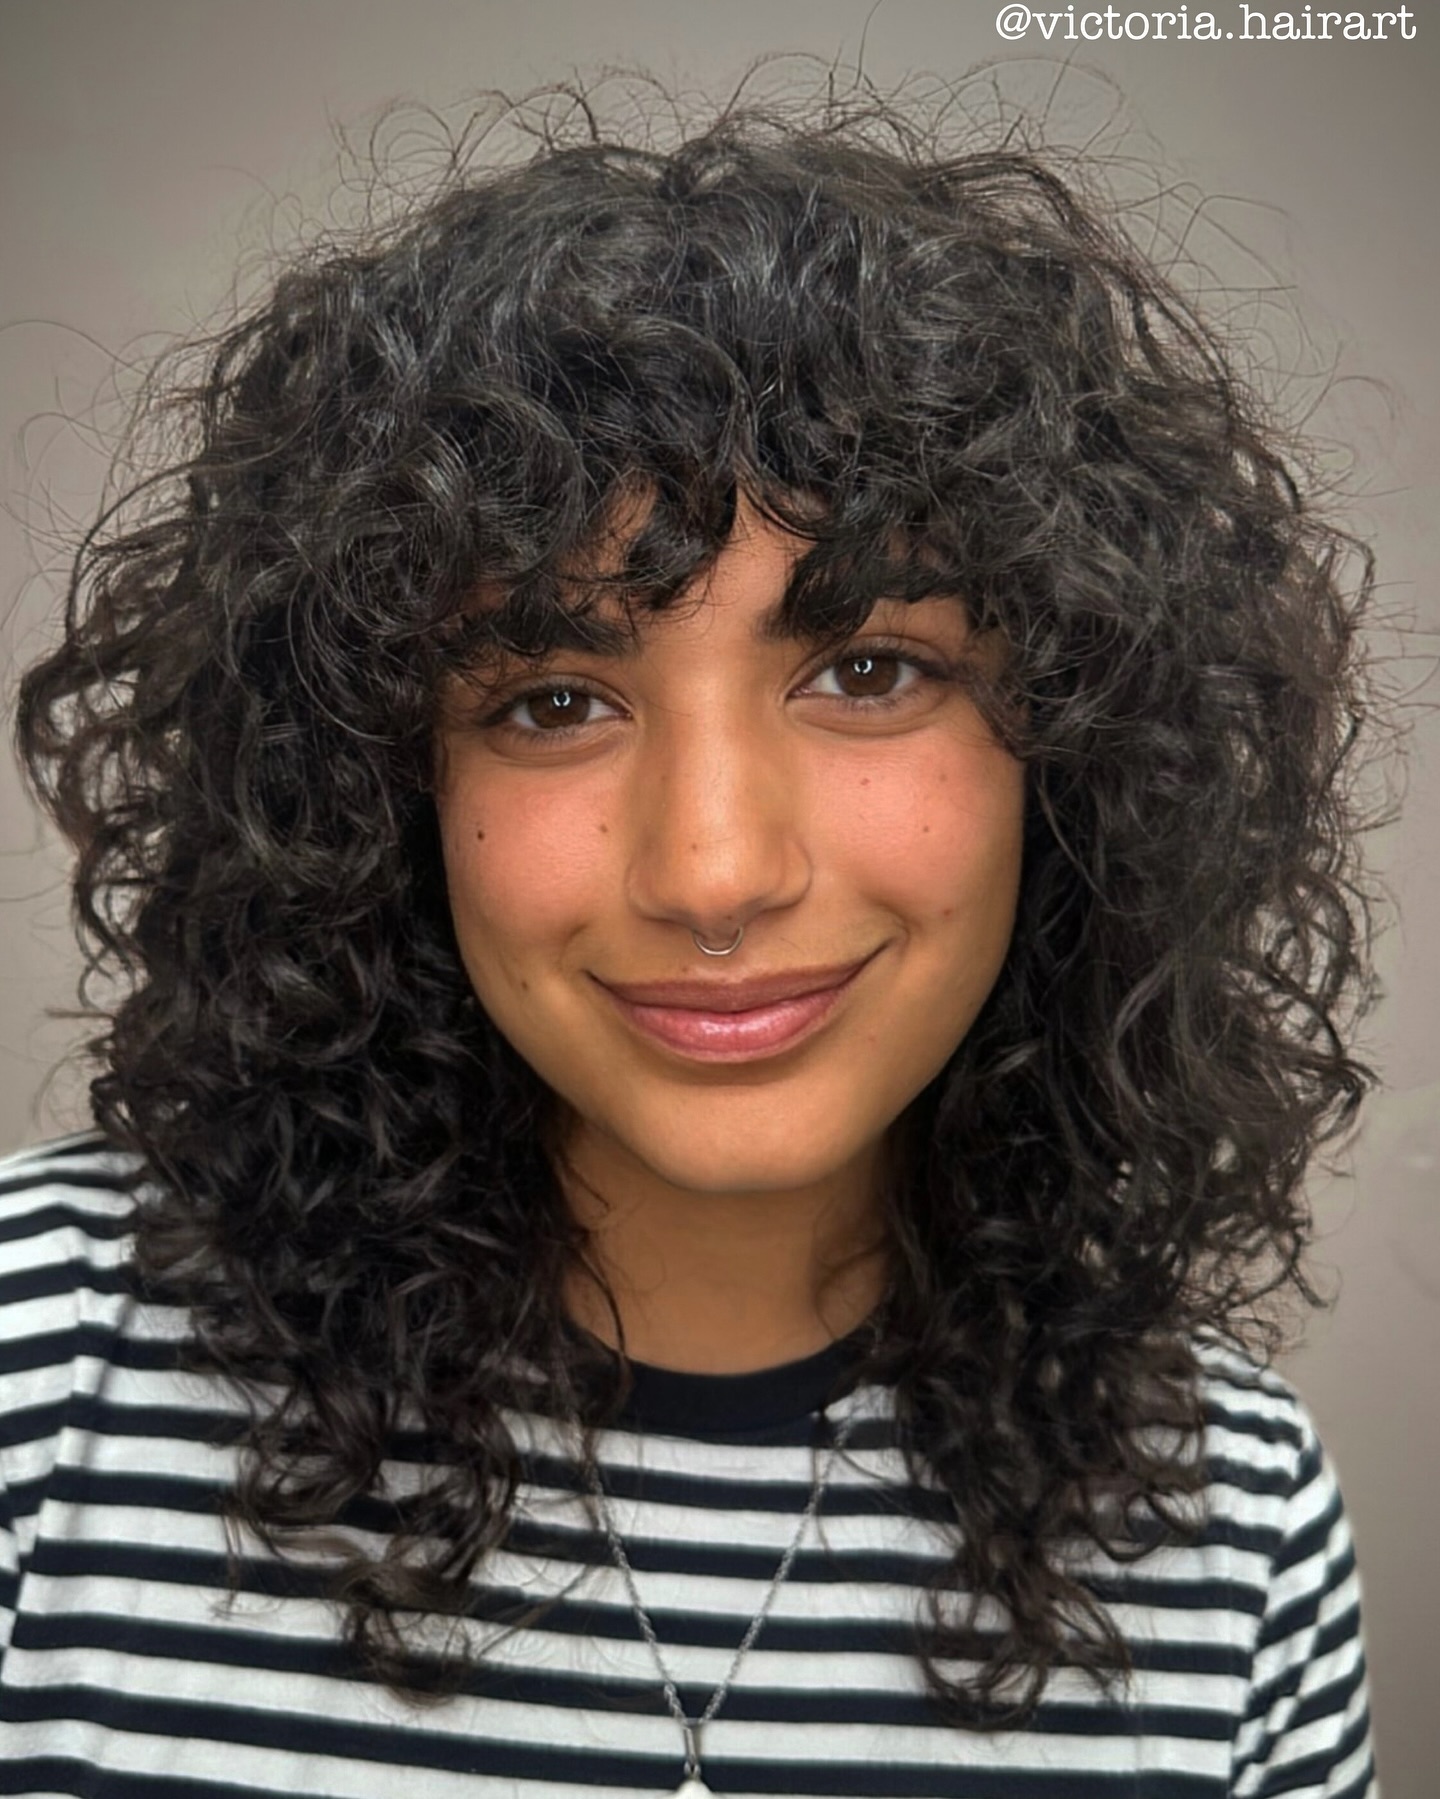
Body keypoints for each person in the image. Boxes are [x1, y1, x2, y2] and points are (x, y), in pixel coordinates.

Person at [1, 88, 1381, 1798]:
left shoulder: (1230, 1529)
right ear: (371, 788)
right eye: (553, 701)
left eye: (868, 670)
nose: (714, 872)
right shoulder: (36, 1373)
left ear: (1087, 746)